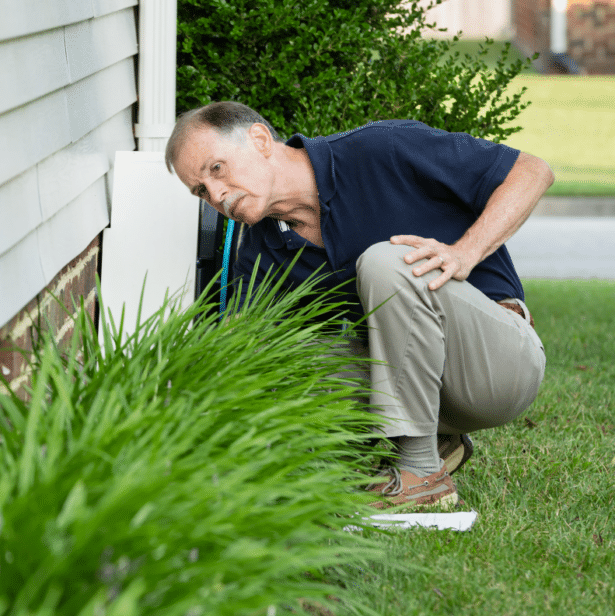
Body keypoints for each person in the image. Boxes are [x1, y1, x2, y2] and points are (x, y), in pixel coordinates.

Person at [165, 101, 550, 509]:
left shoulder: (382, 149)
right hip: (425, 391)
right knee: (274, 358)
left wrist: (464, 253)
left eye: (217, 169)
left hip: (497, 368)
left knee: (387, 263)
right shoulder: (262, 253)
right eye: (201, 190)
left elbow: (532, 171)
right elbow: (235, 355)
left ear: (259, 139)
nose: (217, 195)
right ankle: (428, 443)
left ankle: (420, 473)